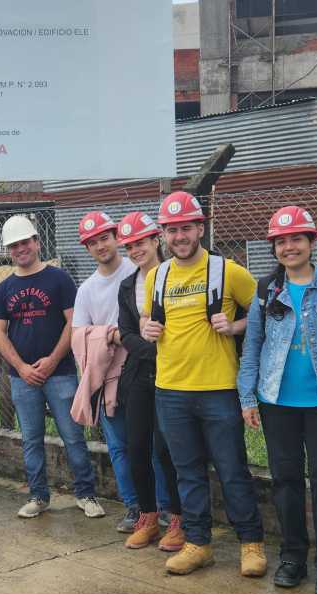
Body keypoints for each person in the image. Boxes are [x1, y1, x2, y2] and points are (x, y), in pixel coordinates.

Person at [238, 206, 317, 594]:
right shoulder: (265, 291)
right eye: (280, 240)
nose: (288, 246)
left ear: (312, 242)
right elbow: (252, 347)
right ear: (273, 247)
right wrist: (247, 397)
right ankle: (292, 556)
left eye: (296, 238)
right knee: (286, 481)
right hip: (277, 402)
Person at [141, 191, 266, 578]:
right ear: (163, 234)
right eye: (171, 230)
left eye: (186, 228)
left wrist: (236, 326)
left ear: (200, 227)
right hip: (171, 390)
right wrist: (147, 329)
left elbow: (265, 311)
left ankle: (251, 544)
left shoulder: (228, 271)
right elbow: (149, 320)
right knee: (188, 472)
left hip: (217, 389)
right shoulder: (156, 276)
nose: (179, 236)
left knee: (232, 470)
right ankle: (198, 544)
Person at [0, 215, 103, 519]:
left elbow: (74, 322)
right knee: (31, 439)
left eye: (25, 242)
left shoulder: (59, 280)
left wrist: (52, 360)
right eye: (14, 245)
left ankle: (86, 494)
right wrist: (21, 367)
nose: (20, 249)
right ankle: (39, 496)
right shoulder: (3, 289)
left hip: (61, 373)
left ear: (37, 242)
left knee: (73, 435)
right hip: (21, 377)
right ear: (8, 250)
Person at [71, 211, 162, 532]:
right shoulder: (87, 289)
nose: (100, 246)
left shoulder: (138, 272)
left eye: (105, 238)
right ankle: (134, 507)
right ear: (87, 248)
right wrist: (110, 334)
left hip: (145, 366)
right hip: (109, 373)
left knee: (153, 444)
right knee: (120, 446)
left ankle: (162, 506)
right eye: (92, 242)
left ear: (116, 238)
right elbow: (78, 335)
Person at [114, 211, 184, 552]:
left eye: (140, 242)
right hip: (141, 374)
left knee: (167, 450)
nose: (136, 250)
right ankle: (147, 517)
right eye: (129, 246)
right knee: (136, 447)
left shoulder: (176, 276)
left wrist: (164, 352)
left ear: (156, 240)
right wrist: (150, 351)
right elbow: (125, 333)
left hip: (175, 375)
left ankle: (177, 519)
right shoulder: (128, 286)